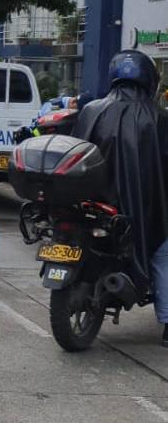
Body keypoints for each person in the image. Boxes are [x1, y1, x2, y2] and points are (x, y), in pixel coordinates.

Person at [72, 49, 168, 347]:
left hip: (94, 206)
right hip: (143, 210)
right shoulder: (159, 118)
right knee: (163, 255)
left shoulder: (92, 110)